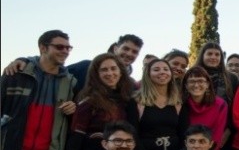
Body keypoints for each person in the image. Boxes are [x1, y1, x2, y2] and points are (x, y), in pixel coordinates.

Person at [3, 34, 143, 92]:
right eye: (126, 48)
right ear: (115, 48)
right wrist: (25, 61)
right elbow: (53, 71)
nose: (129, 54)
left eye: (135, 52)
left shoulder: (130, 84)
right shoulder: (85, 67)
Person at [126, 59, 187, 150]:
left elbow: (184, 133)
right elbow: (132, 134)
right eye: (156, 69)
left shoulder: (178, 102)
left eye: (165, 69)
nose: (162, 72)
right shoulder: (137, 101)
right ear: (148, 74)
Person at [181, 66, 228, 150]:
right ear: (186, 86)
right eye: (192, 81)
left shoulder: (220, 104)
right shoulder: (180, 104)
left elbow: (217, 134)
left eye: (200, 81)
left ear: (207, 84)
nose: (196, 85)